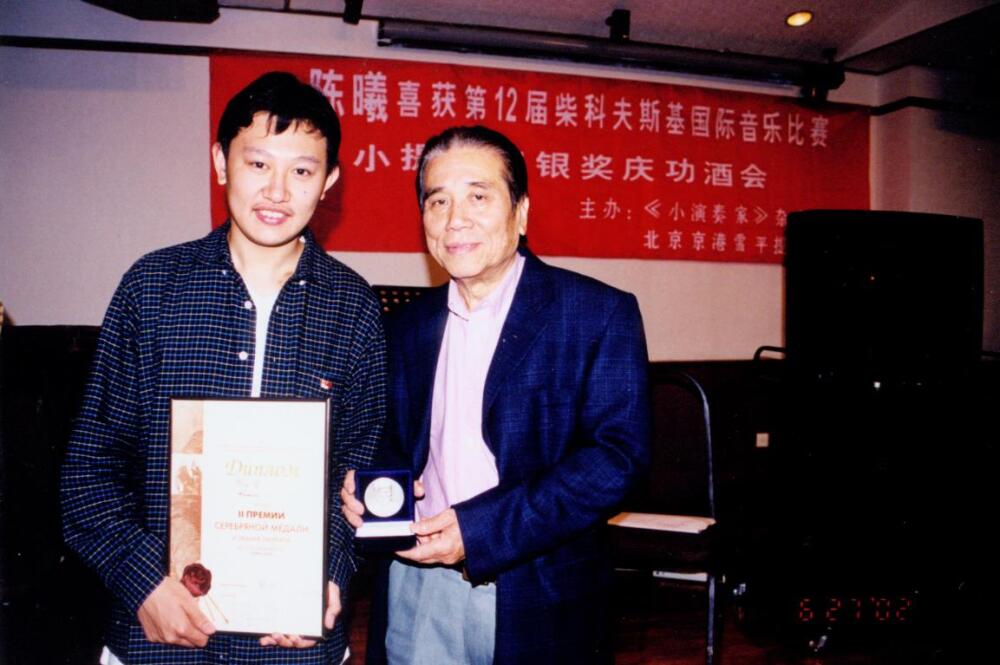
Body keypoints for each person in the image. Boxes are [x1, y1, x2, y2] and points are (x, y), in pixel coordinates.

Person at [61, 71, 386, 664]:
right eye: (258, 164)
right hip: (157, 639)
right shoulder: (152, 289)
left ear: (329, 182)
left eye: (302, 171)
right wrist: (143, 583)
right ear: (220, 162)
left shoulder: (353, 307)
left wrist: (327, 576)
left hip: (296, 644)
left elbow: (358, 475)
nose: (277, 191)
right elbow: (90, 469)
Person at [342, 125, 650, 664]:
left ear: (521, 212)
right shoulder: (406, 326)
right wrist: (365, 488)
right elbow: (391, 442)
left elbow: (616, 461)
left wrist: (480, 530)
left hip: (537, 589)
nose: (455, 219)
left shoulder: (596, 313)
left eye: (478, 197)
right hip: (418, 587)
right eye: (438, 201)